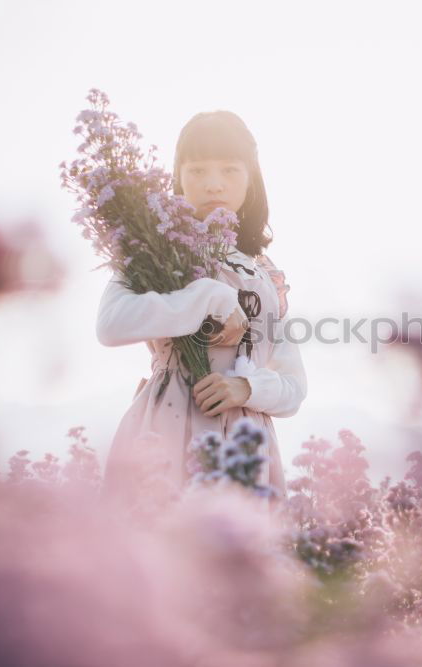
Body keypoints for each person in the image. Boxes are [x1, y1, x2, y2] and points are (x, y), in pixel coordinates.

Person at [95, 110, 307, 512]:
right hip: (165, 427)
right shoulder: (151, 252)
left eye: (230, 170)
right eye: (197, 171)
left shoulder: (264, 273)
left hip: (246, 440)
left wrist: (246, 388)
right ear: (178, 178)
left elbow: (294, 387)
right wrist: (211, 296)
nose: (213, 184)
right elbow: (110, 324)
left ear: (251, 179)